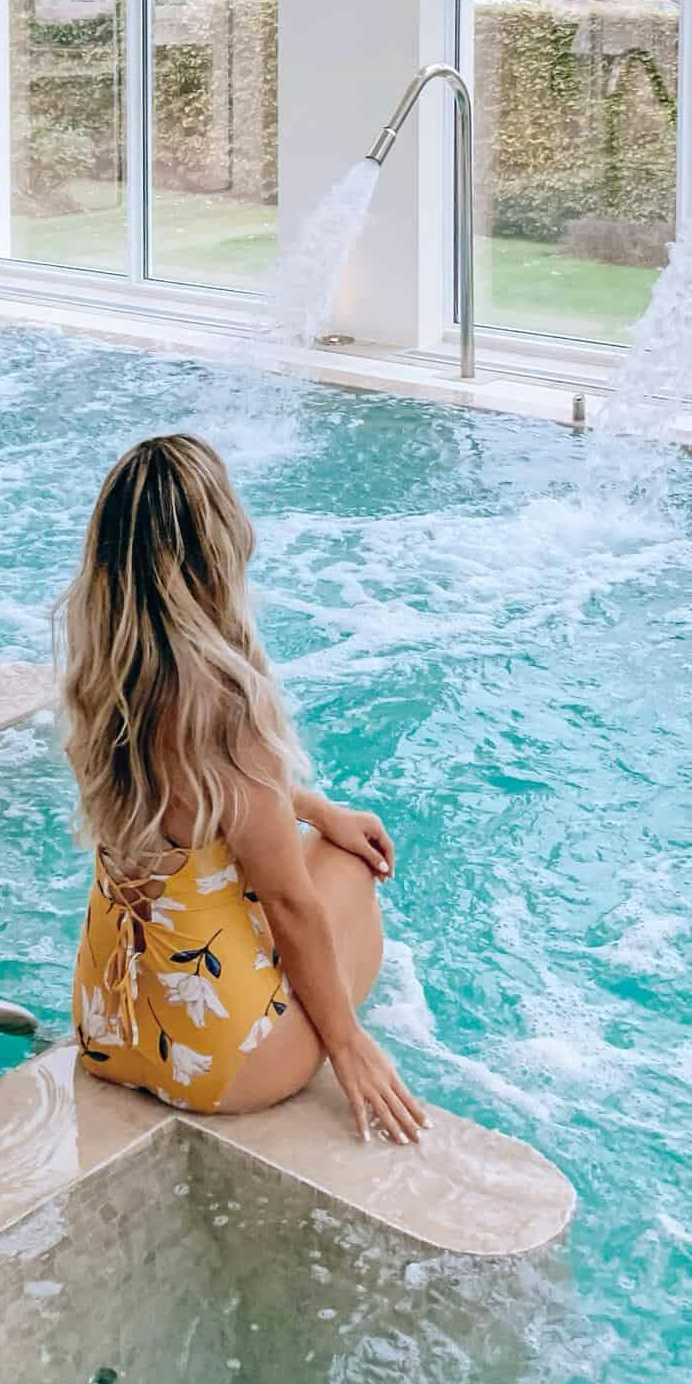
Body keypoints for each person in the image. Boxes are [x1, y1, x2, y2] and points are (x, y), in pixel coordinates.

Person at [63, 432, 428, 1145]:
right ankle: (325, 1032)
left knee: (298, 850)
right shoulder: (225, 707)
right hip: (221, 1067)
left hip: (108, 1025)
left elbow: (197, 796)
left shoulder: (101, 674)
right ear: (220, 545)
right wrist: (347, 1043)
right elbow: (289, 903)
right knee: (343, 865)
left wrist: (315, 806)